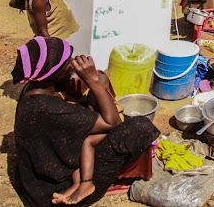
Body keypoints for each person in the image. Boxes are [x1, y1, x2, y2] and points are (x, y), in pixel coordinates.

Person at [12, 36, 159, 206]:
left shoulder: (35, 88)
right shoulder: (47, 109)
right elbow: (113, 123)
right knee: (140, 127)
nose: (73, 62)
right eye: (68, 62)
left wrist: (96, 80)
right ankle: (86, 184)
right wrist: (92, 81)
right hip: (57, 192)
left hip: (40, 179)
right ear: (55, 73)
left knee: (100, 80)